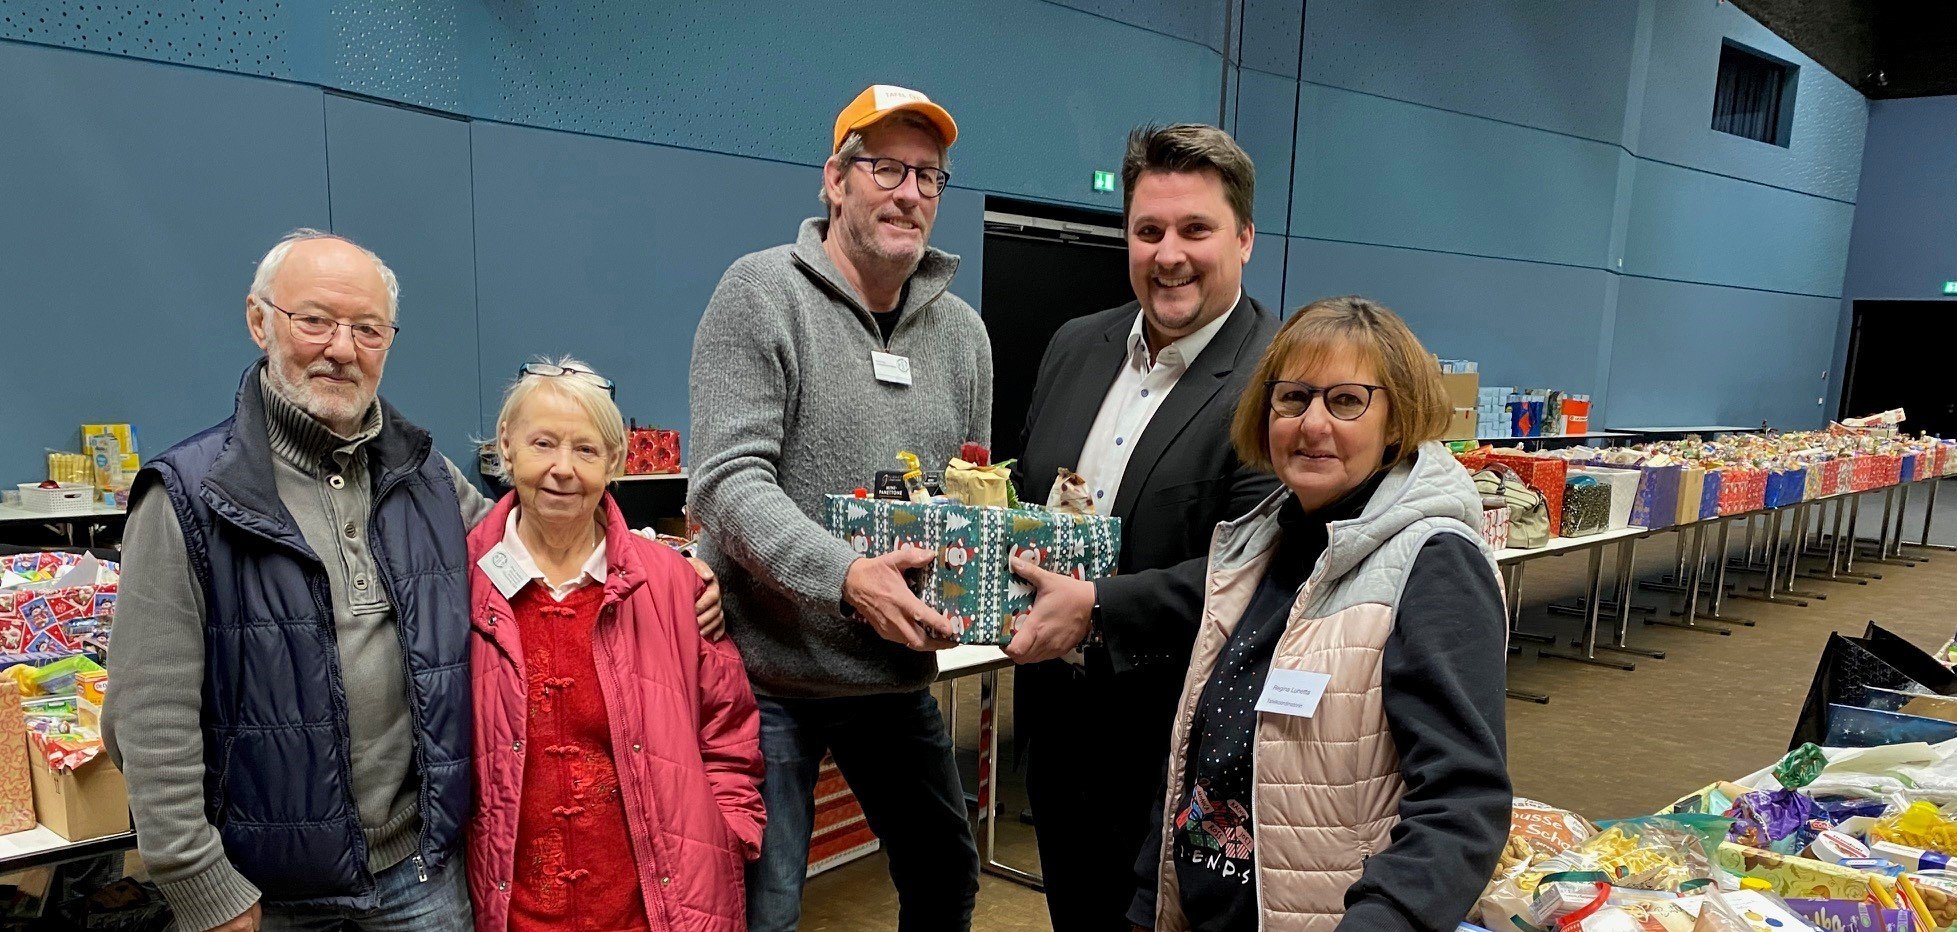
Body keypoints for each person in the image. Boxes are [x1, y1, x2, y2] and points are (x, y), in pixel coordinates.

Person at [99, 230, 722, 932]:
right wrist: (201, 883)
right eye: (314, 321)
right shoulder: (191, 494)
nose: (341, 348)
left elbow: (540, 539)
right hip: (266, 894)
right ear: (259, 320)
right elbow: (148, 715)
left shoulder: (425, 478)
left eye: (367, 329)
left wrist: (670, 569)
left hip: (419, 876)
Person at [687, 84, 990, 932]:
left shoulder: (963, 337)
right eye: (884, 167)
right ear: (834, 180)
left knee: (945, 874)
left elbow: (963, 496)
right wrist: (847, 576)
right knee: (764, 904)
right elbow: (727, 480)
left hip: (890, 678)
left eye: (928, 176)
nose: (908, 192)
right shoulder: (759, 294)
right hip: (769, 673)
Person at [1129, 296, 1511, 932]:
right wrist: (1153, 899)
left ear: (1397, 420)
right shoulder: (1257, 546)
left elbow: (1462, 801)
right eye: (1294, 397)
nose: (1312, 423)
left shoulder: (1434, 563)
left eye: (1346, 401)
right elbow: (1201, 752)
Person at [1010, 123, 1279, 932]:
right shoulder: (1072, 346)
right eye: (1148, 230)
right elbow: (1033, 504)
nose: (1168, 254)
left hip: (1182, 746)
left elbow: (1259, 567)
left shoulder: (1279, 374)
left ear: (1243, 237)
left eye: (1195, 230)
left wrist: (1096, 607)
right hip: (1058, 733)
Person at [466, 358, 763, 931]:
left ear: (614, 464)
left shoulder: (676, 586)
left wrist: (730, 831)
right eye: (543, 443)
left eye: (585, 450)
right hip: (511, 910)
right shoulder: (458, 584)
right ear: (507, 447)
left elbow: (729, 732)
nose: (561, 469)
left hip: (652, 908)